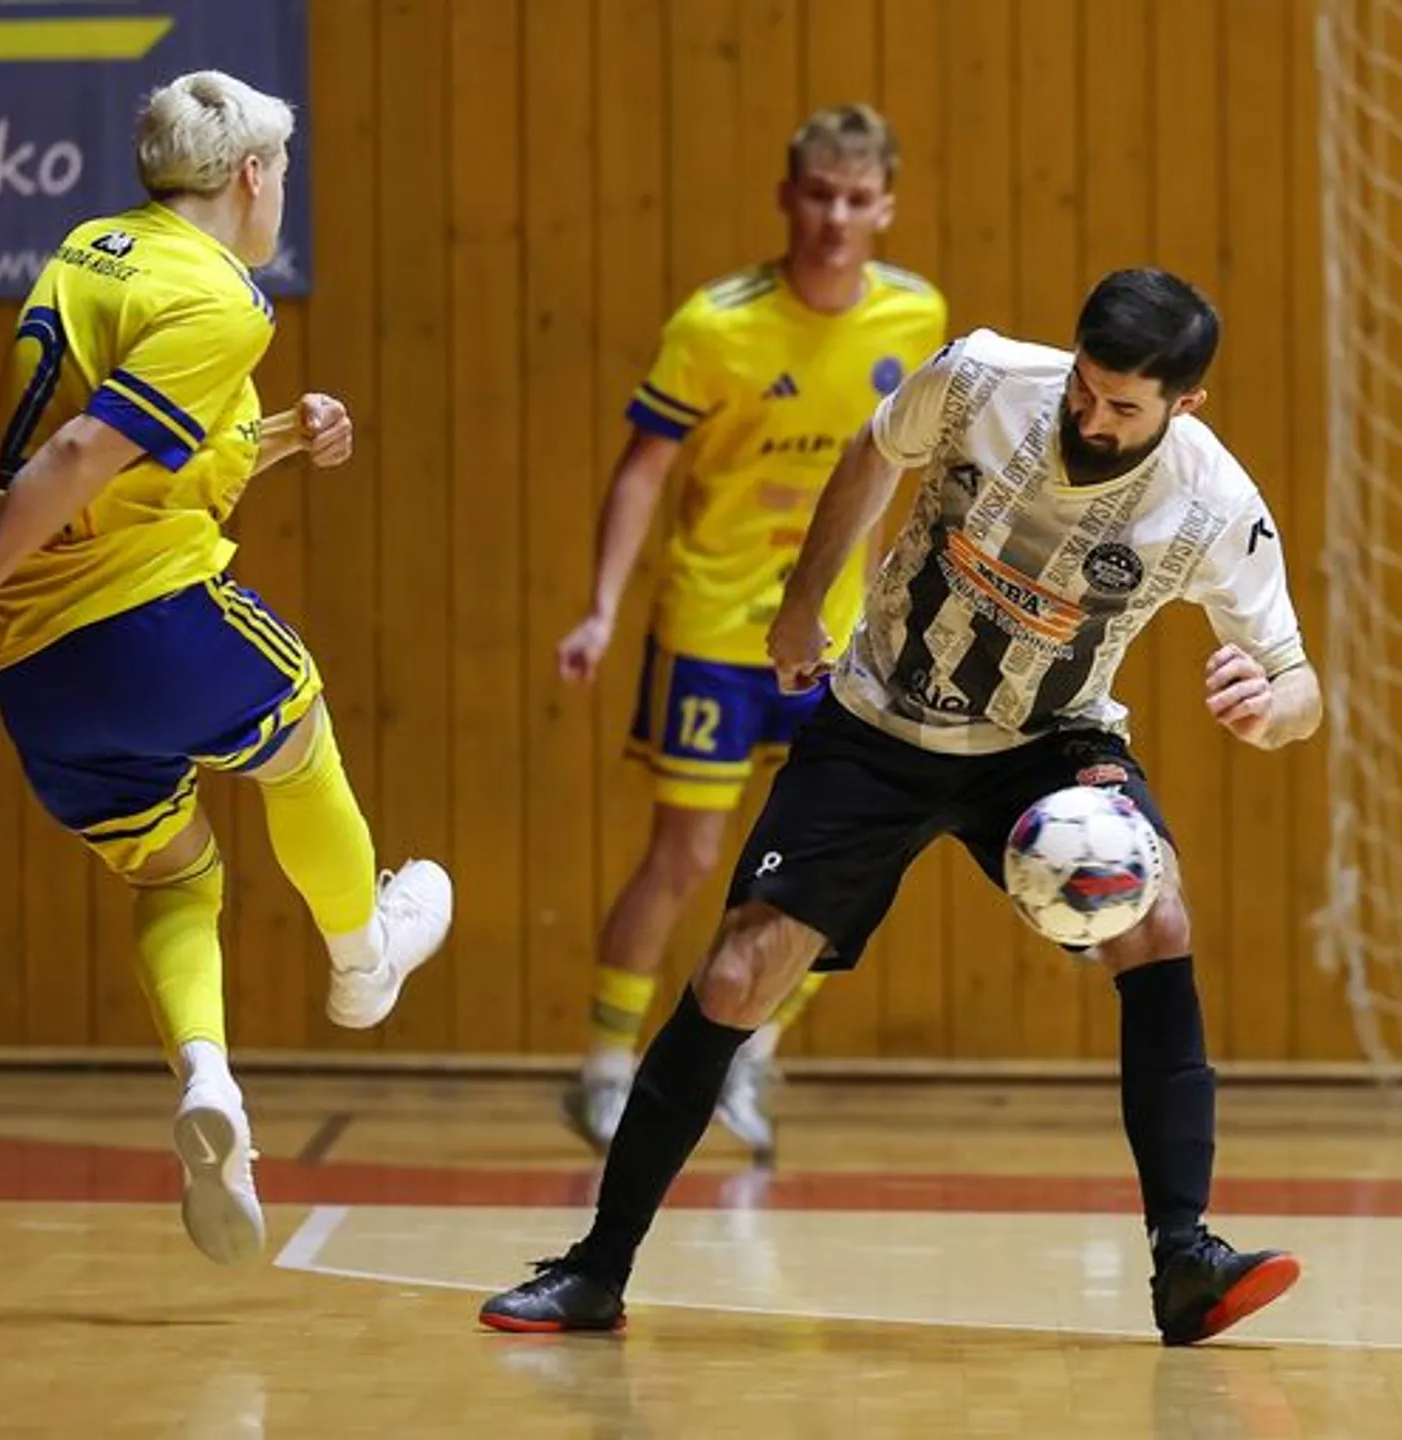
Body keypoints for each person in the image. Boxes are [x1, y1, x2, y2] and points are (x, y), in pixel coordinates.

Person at [479, 266, 1322, 1345]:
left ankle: (1185, 1261)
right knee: (738, 971)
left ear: (1183, 405)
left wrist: (1270, 705)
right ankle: (596, 1270)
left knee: (1159, 920)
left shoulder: (1211, 503)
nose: (1092, 418)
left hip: (1047, 742)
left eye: (1124, 408)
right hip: (880, 721)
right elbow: (876, 449)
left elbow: (1301, 686)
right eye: (1086, 390)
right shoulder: (982, 378)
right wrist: (801, 606)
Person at [0, 71, 452, 1264]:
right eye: (283, 168)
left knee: (174, 878)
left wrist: (281, 434)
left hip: (34, 672)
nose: (284, 187)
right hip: (143, 618)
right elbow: (84, 452)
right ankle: (363, 963)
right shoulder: (228, 302)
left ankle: (210, 1087)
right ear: (252, 174)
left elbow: (126, 437)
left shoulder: (94, 248)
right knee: (301, 736)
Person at [554, 103, 945, 1159]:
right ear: (788, 198)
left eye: (857, 199)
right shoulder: (715, 325)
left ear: (886, 208)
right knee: (684, 858)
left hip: (837, 642)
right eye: (819, 194)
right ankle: (601, 1068)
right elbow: (641, 470)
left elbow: (924, 469)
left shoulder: (916, 318)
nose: (835, 217)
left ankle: (751, 1061)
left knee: (834, 868)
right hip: (716, 631)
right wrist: (601, 606)